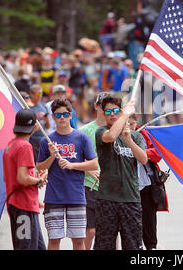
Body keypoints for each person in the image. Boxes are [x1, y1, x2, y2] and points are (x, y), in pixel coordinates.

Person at [37, 99, 98, 250]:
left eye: (65, 114)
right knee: (54, 240)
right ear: (53, 116)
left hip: (76, 195)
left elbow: (93, 164)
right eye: (58, 115)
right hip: (53, 197)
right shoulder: (47, 140)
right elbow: (39, 166)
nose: (62, 118)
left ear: (71, 115)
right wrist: (52, 156)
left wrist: (72, 165)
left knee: (78, 241)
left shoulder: (81, 137)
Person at [93, 96, 148, 250]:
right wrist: (125, 115)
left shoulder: (136, 135)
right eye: (108, 111)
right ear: (103, 114)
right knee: (104, 244)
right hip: (107, 198)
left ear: (121, 111)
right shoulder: (101, 131)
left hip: (130, 198)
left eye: (116, 111)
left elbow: (143, 159)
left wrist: (129, 140)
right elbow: (110, 137)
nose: (112, 114)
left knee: (133, 245)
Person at [3, 109, 48, 250]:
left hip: (18, 203)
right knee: (26, 246)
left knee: (38, 247)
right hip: (23, 205)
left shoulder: (11, 144)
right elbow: (22, 178)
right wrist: (39, 180)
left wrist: (34, 178)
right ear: (35, 126)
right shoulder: (25, 146)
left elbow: (7, 177)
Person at [129, 115, 168, 250]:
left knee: (149, 222)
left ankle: (151, 247)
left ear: (136, 122)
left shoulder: (145, 133)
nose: (129, 127)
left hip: (146, 186)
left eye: (132, 124)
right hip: (126, 188)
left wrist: (140, 152)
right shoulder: (116, 134)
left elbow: (158, 153)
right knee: (130, 225)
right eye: (126, 124)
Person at [78, 93, 109, 250]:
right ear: (96, 106)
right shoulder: (85, 131)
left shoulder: (115, 130)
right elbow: (76, 158)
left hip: (111, 188)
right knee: (90, 230)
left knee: (111, 231)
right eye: (102, 104)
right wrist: (91, 171)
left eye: (109, 105)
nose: (105, 108)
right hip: (90, 186)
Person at [29, 84, 51, 163]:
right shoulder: (28, 106)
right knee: (35, 163)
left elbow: (48, 126)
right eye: (37, 94)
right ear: (31, 94)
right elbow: (26, 126)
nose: (39, 96)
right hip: (33, 140)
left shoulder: (43, 105)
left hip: (43, 139)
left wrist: (46, 119)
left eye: (41, 93)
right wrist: (36, 118)